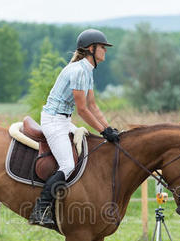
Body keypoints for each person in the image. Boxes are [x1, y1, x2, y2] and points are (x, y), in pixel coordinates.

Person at [29, 28, 120, 227]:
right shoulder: (79, 71)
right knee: (68, 165)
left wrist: (109, 128)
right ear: (91, 49)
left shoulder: (87, 70)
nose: (105, 51)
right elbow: (83, 110)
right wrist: (103, 132)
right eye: (102, 47)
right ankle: (40, 209)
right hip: (53, 121)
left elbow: (93, 105)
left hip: (63, 120)